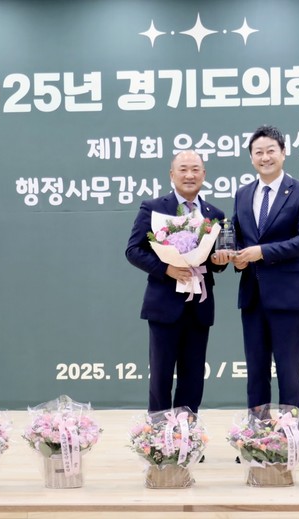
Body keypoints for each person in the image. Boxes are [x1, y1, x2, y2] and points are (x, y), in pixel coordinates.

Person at [125, 150, 229, 414]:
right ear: (172, 174)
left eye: (195, 169)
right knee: (160, 375)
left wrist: (220, 260)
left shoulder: (215, 214)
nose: (189, 175)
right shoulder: (153, 208)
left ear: (204, 174)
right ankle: (158, 433)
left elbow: (219, 262)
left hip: (199, 307)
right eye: (183, 169)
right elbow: (133, 250)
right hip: (164, 305)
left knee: (193, 376)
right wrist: (166, 269)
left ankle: (187, 432)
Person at [230, 125, 299, 411]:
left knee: (288, 371)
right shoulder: (243, 194)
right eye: (258, 152)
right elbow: (238, 236)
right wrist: (236, 257)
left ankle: (289, 434)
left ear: (283, 153)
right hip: (252, 296)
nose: (265, 157)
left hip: (288, 296)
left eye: (271, 151)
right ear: (251, 158)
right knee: (256, 372)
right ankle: (256, 434)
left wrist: (261, 252)